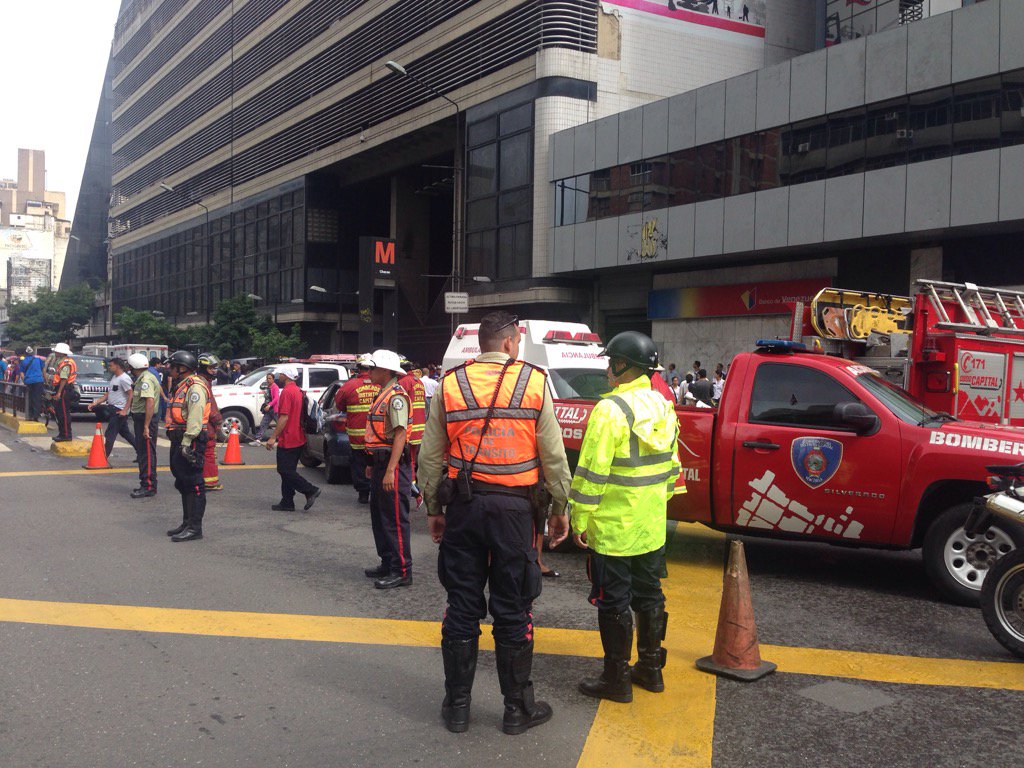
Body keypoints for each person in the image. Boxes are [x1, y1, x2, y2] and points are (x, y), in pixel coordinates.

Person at [420, 310, 572, 736]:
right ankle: (517, 710)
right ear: (509, 342)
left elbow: (430, 457)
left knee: (462, 607)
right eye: (518, 342)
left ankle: (457, 708)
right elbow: (554, 456)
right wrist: (560, 507)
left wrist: (434, 509)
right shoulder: (535, 381)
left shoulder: (451, 384)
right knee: (513, 608)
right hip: (515, 512)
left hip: (465, 510)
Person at [566, 331, 681, 704]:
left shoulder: (610, 410)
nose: (607, 367)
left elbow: (590, 473)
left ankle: (616, 678)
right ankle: (651, 670)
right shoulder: (664, 405)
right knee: (649, 596)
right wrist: (656, 506)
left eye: (611, 360)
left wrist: (579, 518)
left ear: (622, 365)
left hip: (615, 529)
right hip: (651, 527)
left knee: (613, 602)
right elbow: (671, 468)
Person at [362, 350, 413, 589]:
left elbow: (401, 435)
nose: (369, 372)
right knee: (379, 517)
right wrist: (373, 465)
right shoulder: (383, 394)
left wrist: (391, 470)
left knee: (394, 519)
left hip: (392, 465)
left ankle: (402, 570)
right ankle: (388, 561)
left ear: (386, 371)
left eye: (373, 368)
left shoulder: (396, 397)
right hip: (381, 463)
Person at [164, 350, 210, 542]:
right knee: (183, 482)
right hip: (179, 437)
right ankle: (187, 522)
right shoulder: (182, 385)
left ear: (182, 368)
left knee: (193, 483)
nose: (169, 369)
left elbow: (195, 417)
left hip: (190, 438)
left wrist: (187, 441)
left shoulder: (195, 387)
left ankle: (194, 528)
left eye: (172, 366)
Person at [265, 366, 321, 513]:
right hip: (298, 436)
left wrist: (272, 437)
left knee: (284, 470)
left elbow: (283, 417)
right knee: (288, 470)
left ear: (286, 375)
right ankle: (287, 502)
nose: (279, 376)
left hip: (289, 437)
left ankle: (310, 490)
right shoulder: (297, 391)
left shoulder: (287, 392)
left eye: (281, 374)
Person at [333, 354, 379, 504]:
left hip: (357, 437)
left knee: (359, 463)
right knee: (378, 463)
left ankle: (363, 494)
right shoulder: (380, 385)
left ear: (358, 368)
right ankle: (377, 492)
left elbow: (339, 405)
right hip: (378, 436)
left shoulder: (349, 386)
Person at [88, 358, 136, 458]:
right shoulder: (115, 377)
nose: (109, 367)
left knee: (110, 434)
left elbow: (131, 395)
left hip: (119, 410)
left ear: (117, 366)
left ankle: (103, 457)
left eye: (111, 366)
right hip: (113, 408)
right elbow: (108, 394)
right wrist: (95, 403)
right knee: (125, 433)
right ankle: (141, 452)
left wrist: (125, 410)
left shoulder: (124, 379)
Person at [128, 353, 160, 499]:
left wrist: (146, 426)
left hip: (145, 419)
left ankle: (148, 485)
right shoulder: (147, 376)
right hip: (143, 419)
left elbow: (150, 401)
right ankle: (146, 484)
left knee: (146, 454)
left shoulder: (145, 379)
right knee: (144, 453)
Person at [197, 353, 225, 492]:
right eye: (211, 368)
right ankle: (210, 482)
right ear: (203, 368)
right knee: (209, 454)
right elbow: (211, 406)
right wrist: (218, 421)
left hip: (198, 425)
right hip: (206, 427)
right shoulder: (204, 384)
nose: (214, 371)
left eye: (215, 368)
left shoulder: (198, 381)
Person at [50, 343, 77, 442]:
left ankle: (66, 435)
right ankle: (62, 434)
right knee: (60, 413)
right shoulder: (63, 362)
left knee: (63, 414)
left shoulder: (66, 363)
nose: (55, 352)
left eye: (56, 351)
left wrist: (59, 393)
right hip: (64, 389)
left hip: (64, 389)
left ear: (61, 352)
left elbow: (63, 379)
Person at [254, 372, 280, 443]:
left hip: (274, 409)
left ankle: (285, 438)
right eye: (267, 378)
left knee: (280, 424)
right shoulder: (268, 387)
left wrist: (269, 405)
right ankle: (258, 439)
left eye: (270, 378)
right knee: (263, 424)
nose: (268, 380)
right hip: (268, 410)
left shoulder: (275, 387)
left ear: (273, 379)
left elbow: (276, 398)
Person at [19, 346, 44, 421]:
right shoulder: (39, 360)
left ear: (26, 353)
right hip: (39, 381)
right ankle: (36, 416)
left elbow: (22, 373)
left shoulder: (23, 361)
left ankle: (30, 415)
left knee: (29, 398)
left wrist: (25, 381)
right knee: (37, 398)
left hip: (29, 381)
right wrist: (44, 380)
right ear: (33, 353)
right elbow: (43, 370)